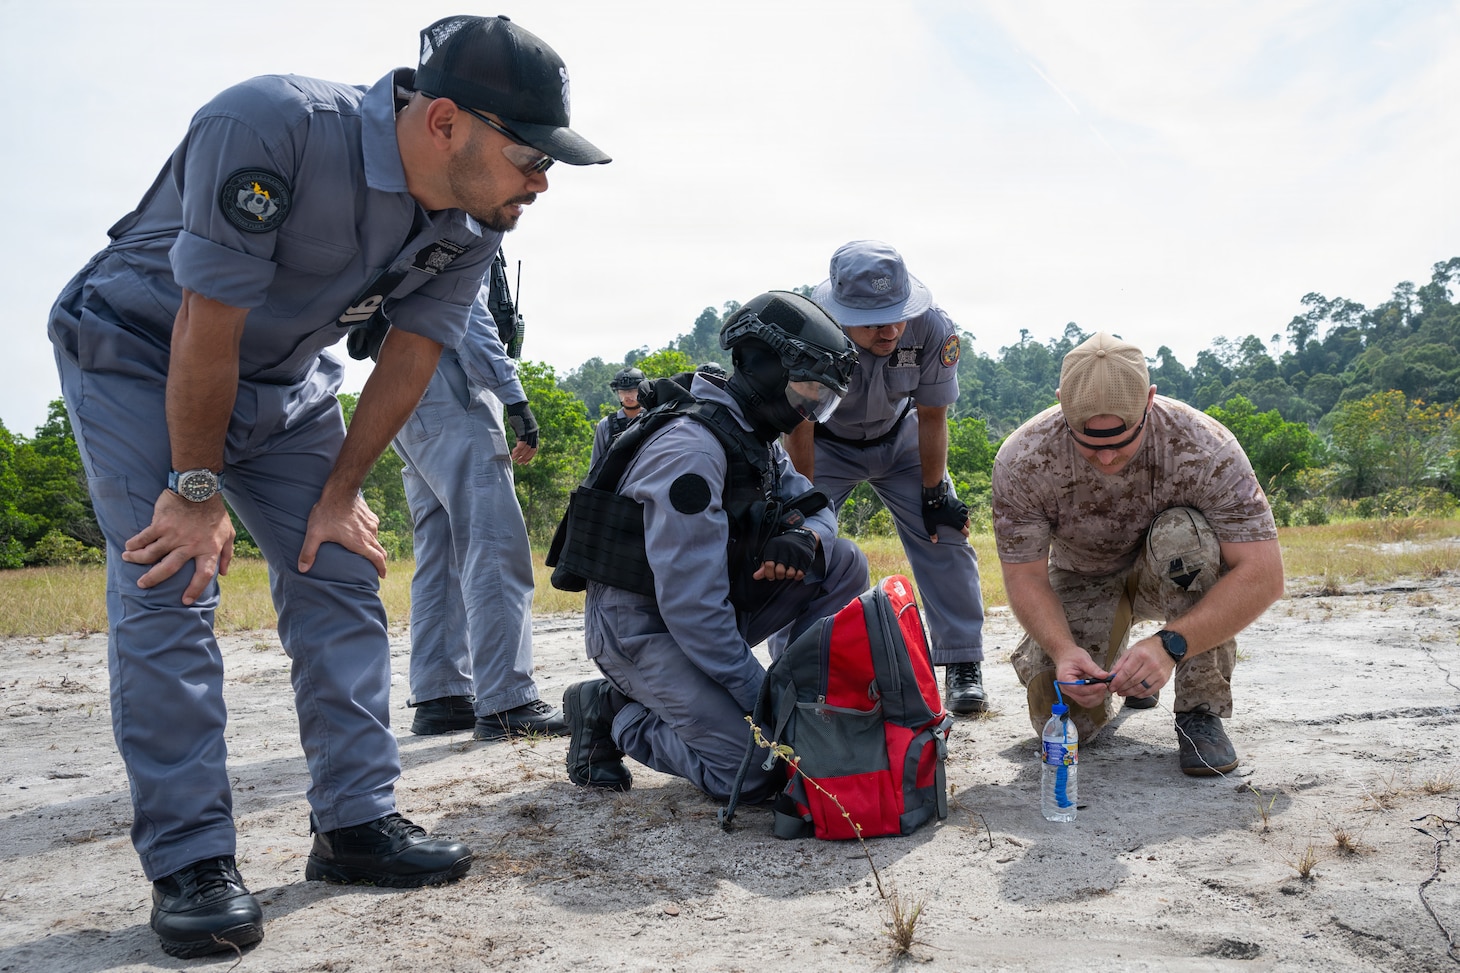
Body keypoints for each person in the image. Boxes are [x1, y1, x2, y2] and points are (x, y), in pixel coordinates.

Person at [45, 14, 607, 960]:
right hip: (143, 357)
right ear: (443, 124)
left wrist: (342, 490)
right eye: (528, 156)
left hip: (285, 384)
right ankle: (190, 859)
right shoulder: (270, 126)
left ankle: (354, 823)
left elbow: (412, 353)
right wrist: (192, 486)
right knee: (173, 577)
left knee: (341, 565)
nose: (541, 181)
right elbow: (205, 319)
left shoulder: (471, 224)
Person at [560, 291, 870, 803]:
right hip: (643, 628)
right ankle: (612, 711)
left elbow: (818, 506)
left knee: (841, 562)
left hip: (706, 615)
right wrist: (764, 702)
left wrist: (805, 536)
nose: (811, 408)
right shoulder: (692, 451)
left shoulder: (754, 436)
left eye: (823, 398)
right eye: (807, 390)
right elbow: (691, 608)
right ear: (766, 370)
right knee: (755, 772)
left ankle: (807, 703)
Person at [991, 332, 1284, 776]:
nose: (1106, 457)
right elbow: (1026, 577)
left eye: (1122, 439)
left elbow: (1263, 574)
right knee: (1065, 720)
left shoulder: (1204, 446)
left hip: (1171, 569)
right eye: (1089, 443)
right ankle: (1126, 666)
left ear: (1150, 400)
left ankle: (1197, 713)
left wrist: (1172, 645)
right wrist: (1063, 648)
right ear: (1060, 404)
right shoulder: (1024, 458)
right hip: (1082, 577)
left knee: (1182, 534)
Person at [785, 240, 989, 715]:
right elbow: (800, 422)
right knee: (800, 542)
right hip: (824, 444)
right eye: (876, 321)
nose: (892, 329)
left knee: (944, 535)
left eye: (898, 314)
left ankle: (961, 661)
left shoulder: (933, 327)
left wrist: (935, 492)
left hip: (902, 439)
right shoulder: (809, 332)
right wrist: (805, 501)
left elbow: (933, 414)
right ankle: (799, 663)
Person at [392, 262, 566, 741]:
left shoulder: (411, 219)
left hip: (401, 393)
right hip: (454, 392)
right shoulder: (463, 222)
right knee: (494, 547)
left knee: (442, 554)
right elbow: (465, 307)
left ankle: (441, 695)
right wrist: (514, 396)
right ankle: (508, 701)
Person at [590, 366, 646, 465]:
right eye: (623, 392)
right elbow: (596, 465)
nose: (628, 396)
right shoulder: (605, 424)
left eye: (633, 391)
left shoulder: (653, 418)